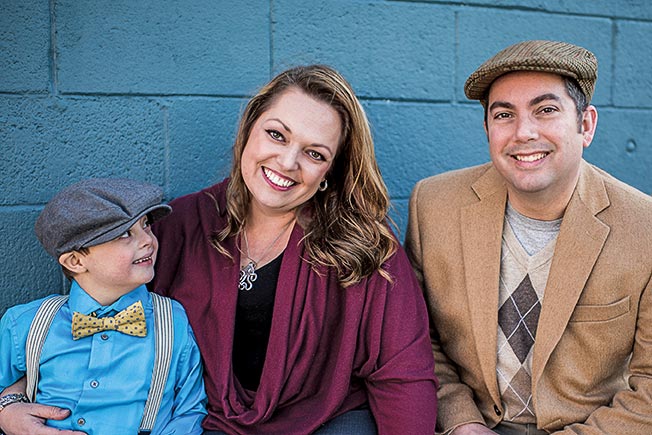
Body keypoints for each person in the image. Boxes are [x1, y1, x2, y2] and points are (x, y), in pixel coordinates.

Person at [1, 65, 438, 434]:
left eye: (315, 153)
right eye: (277, 135)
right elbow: (89, 325)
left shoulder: (364, 245)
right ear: (249, 130)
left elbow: (403, 375)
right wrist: (9, 404)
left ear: (329, 172)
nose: (287, 163)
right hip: (202, 424)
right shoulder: (175, 230)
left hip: (324, 423)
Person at [405, 39, 652, 435]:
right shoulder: (432, 206)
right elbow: (415, 341)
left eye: (546, 110)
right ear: (487, 128)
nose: (523, 132)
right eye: (504, 114)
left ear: (585, 125)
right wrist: (461, 422)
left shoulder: (645, 229)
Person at [0, 178, 207, 434]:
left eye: (146, 226)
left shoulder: (172, 321)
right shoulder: (25, 324)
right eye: (124, 234)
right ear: (76, 261)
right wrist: (5, 413)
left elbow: (190, 410)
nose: (147, 241)